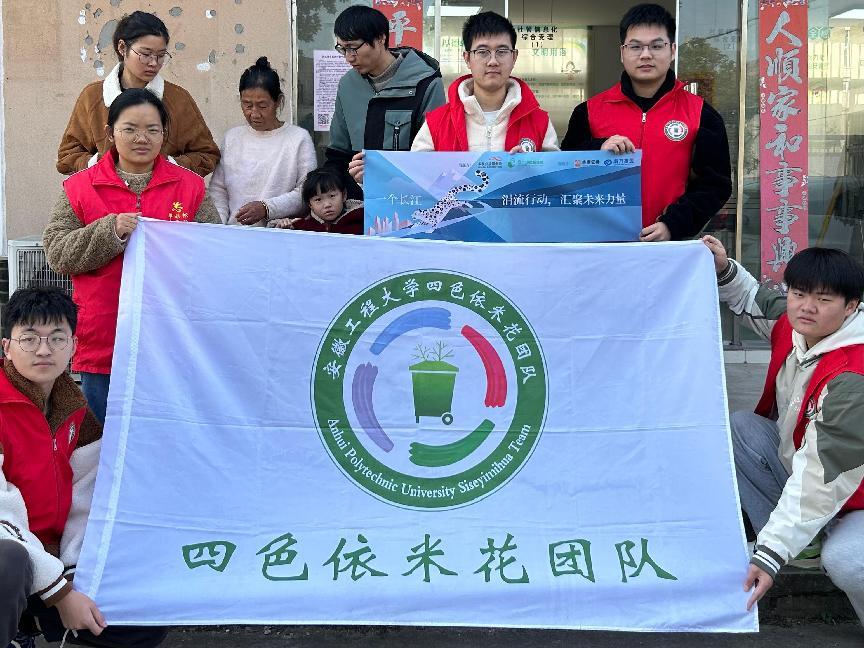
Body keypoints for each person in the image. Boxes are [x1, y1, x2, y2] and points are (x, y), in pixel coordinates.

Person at [703, 235, 864, 624]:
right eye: (799, 293)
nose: (807, 306)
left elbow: (822, 475)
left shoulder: (853, 374)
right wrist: (723, 268)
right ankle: (803, 545)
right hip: (810, 469)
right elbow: (755, 300)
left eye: (823, 299)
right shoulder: (796, 328)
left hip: (852, 493)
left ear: (851, 306)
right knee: (742, 428)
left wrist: (770, 553)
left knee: (849, 560)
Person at [0, 287, 167, 648]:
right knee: (7, 560)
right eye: (29, 338)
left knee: (140, 620)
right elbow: (2, 516)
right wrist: (60, 594)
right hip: (12, 559)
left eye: (57, 338)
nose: (44, 350)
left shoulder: (76, 410)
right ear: (7, 347)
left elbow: (87, 499)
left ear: (74, 346)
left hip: (50, 562)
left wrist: (76, 574)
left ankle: (30, 622)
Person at [44, 89, 221, 424]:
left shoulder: (191, 187)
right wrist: (109, 232)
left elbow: (214, 254)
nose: (142, 138)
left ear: (164, 135)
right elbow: (57, 251)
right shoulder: (80, 187)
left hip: (173, 337)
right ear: (110, 133)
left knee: (166, 435)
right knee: (104, 438)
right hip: (104, 336)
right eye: (130, 129)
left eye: (153, 130)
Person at [561, 4, 731, 242]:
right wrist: (598, 148)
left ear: (672, 50)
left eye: (656, 46)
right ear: (622, 53)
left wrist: (673, 225)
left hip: (668, 245)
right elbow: (564, 172)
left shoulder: (702, 114)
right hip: (600, 244)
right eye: (635, 46)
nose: (646, 55)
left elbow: (715, 185)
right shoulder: (588, 112)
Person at [57, 10, 220, 177]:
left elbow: (207, 154)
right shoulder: (92, 96)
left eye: (161, 55)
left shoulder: (178, 99)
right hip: (104, 190)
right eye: (145, 54)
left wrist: (167, 166)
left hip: (164, 191)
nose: (154, 63)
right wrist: (104, 164)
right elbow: (67, 156)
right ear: (122, 47)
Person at [327, 5, 446, 194]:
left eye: (353, 48)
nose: (349, 58)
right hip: (357, 199)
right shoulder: (348, 84)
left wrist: (382, 173)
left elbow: (435, 155)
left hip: (408, 196)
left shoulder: (425, 83)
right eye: (342, 49)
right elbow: (338, 152)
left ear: (381, 38)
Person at [411, 11, 558, 153]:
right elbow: (418, 168)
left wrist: (529, 165)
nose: (493, 61)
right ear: (467, 58)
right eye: (482, 52)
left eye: (502, 51)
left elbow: (555, 168)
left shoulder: (540, 122)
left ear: (514, 57)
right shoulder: (436, 123)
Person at [210, 56, 317, 226]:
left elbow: (306, 192)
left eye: (262, 106)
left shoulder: (298, 138)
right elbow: (218, 189)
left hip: (279, 233)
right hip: (234, 234)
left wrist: (267, 208)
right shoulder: (232, 138)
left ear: (278, 101)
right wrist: (220, 225)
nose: (254, 113)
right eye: (247, 105)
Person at [272, 167, 363, 234]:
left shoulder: (360, 218)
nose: (327, 205)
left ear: (343, 195)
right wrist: (282, 228)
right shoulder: (300, 227)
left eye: (332, 196)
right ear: (310, 204)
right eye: (318, 199)